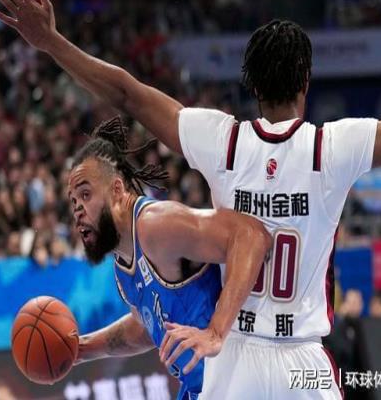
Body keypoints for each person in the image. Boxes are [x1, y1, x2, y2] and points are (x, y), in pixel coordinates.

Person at [0, 0, 381, 399]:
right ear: (306, 81)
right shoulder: (331, 148)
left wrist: (52, 43)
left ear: (251, 86)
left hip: (234, 355)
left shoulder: (224, 143)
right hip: (302, 358)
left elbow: (127, 94)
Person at [66, 116, 271, 400]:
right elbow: (146, 326)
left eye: (86, 194)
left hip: (240, 382)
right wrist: (81, 349)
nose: (78, 209)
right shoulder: (123, 265)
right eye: (73, 201)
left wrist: (215, 332)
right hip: (200, 390)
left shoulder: (155, 225)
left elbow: (251, 236)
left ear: (117, 190)